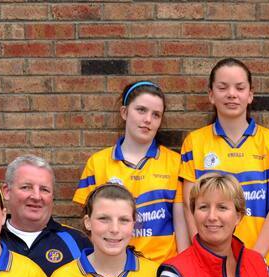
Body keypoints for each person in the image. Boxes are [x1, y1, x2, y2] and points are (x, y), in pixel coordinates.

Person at [179, 58, 269, 271]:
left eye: (239, 87)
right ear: (211, 95)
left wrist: (255, 257)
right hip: (210, 266)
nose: (231, 94)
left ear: (250, 95)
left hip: (261, 263)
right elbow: (191, 207)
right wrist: (207, 256)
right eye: (223, 87)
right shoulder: (194, 143)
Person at [73, 80, 189, 262]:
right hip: (115, 269)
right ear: (124, 112)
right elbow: (90, 228)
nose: (148, 119)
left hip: (163, 269)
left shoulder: (175, 163)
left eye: (156, 115)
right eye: (141, 110)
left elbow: (182, 224)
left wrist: (184, 269)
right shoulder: (98, 163)